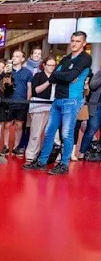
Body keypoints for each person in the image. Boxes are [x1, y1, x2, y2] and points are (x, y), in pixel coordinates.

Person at [24, 31, 92, 175]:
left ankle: (64, 164)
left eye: (78, 41)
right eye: (72, 40)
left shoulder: (85, 58)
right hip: (58, 100)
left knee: (66, 134)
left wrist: (64, 76)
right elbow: (57, 74)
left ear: (84, 43)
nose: (74, 43)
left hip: (72, 100)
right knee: (49, 133)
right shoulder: (66, 58)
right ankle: (42, 162)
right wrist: (64, 76)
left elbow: (68, 76)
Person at [25, 57, 56, 163]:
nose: (51, 67)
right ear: (44, 65)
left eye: (53, 65)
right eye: (49, 65)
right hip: (39, 105)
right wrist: (49, 82)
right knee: (36, 132)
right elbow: (36, 90)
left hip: (53, 106)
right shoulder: (38, 75)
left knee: (49, 133)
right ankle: (31, 154)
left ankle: (44, 154)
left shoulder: (56, 77)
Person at [6, 50, 33, 157]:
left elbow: (29, 87)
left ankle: (17, 147)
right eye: (13, 56)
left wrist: (28, 101)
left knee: (19, 125)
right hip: (8, 101)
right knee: (7, 125)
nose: (14, 58)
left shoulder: (28, 72)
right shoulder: (8, 71)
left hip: (22, 102)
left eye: (17, 56)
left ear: (22, 59)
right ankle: (6, 147)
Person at [80, 71, 101, 156]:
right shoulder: (99, 73)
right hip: (97, 106)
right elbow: (92, 86)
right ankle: (83, 152)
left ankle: (98, 153)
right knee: (91, 130)